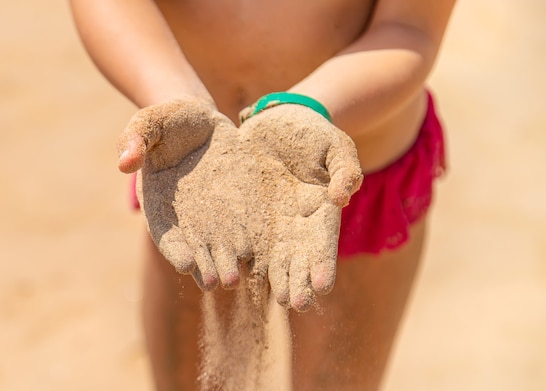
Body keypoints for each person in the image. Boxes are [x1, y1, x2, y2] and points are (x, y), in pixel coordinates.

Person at [69, 0, 455, 390]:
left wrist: (306, 108)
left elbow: (411, 27)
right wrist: (174, 95)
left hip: (341, 179)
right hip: (198, 171)